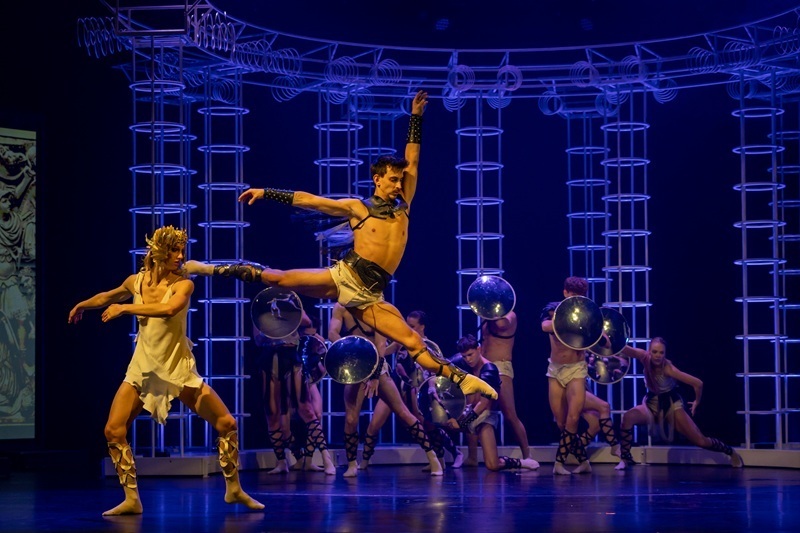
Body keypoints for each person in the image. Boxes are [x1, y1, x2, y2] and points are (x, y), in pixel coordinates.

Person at [183, 90, 498, 403]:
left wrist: (416, 117)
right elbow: (310, 201)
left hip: (370, 296)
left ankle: (463, 380)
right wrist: (266, 192)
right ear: (377, 179)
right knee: (277, 278)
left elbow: (413, 159)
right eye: (392, 179)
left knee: (413, 341)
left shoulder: (404, 203)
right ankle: (205, 268)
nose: (398, 184)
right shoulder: (357, 208)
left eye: (400, 179)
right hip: (344, 276)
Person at [67, 226, 264, 516]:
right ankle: (132, 499)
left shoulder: (183, 285)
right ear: (158, 252)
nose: (180, 256)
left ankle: (234, 489)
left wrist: (126, 310)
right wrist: (82, 305)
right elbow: (106, 297)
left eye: (182, 250)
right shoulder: (136, 281)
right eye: (174, 250)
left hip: (176, 368)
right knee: (113, 430)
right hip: (143, 369)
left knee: (227, 423)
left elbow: (169, 309)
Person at [328, 303, 443, 477]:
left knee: (403, 413)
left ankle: (432, 457)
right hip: (355, 365)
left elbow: (381, 345)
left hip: (377, 365)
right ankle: (352, 463)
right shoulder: (341, 307)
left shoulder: (377, 308)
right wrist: (349, 351)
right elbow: (332, 333)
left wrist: (375, 377)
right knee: (351, 418)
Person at [616, 337, 743, 469]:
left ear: (665, 353)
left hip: (670, 404)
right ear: (649, 351)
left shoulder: (668, 369)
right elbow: (623, 349)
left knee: (700, 441)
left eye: (661, 352)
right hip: (652, 402)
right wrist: (606, 341)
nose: (658, 355)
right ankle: (625, 458)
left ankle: (730, 452)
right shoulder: (644, 357)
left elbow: (698, 383)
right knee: (628, 418)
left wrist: (697, 401)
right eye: (654, 352)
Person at [366, 309, 463, 470]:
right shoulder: (401, 340)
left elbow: (435, 370)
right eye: (407, 325)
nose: (409, 328)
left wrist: (430, 388)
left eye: (412, 326)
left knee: (426, 424)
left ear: (422, 327)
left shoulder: (429, 346)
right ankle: (363, 461)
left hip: (421, 386)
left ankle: (450, 453)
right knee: (376, 422)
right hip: (397, 384)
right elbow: (384, 351)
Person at [445, 335, 539, 472]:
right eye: (464, 356)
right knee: (433, 421)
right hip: (467, 414)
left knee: (492, 465)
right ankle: (444, 457)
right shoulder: (462, 363)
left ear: (479, 349)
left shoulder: (489, 370)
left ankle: (520, 462)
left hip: (484, 417)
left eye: (470, 355)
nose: (468, 359)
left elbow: (483, 404)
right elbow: (442, 366)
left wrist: (462, 423)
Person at [473, 309, 538, 469]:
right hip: (484, 367)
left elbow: (502, 325)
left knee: (510, 414)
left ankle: (527, 456)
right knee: (476, 410)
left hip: (500, 367)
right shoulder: (487, 314)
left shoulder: (509, 315)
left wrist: (493, 310)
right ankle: (472, 457)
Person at [541, 276, 593, 475]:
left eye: (580, 296)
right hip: (555, 370)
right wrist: (566, 320)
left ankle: (558, 463)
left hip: (576, 369)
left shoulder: (588, 313)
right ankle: (584, 462)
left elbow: (602, 338)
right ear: (565, 293)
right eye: (573, 295)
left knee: (573, 418)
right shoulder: (553, 308)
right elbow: (545, 326)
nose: (576, 299)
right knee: (561, 422)